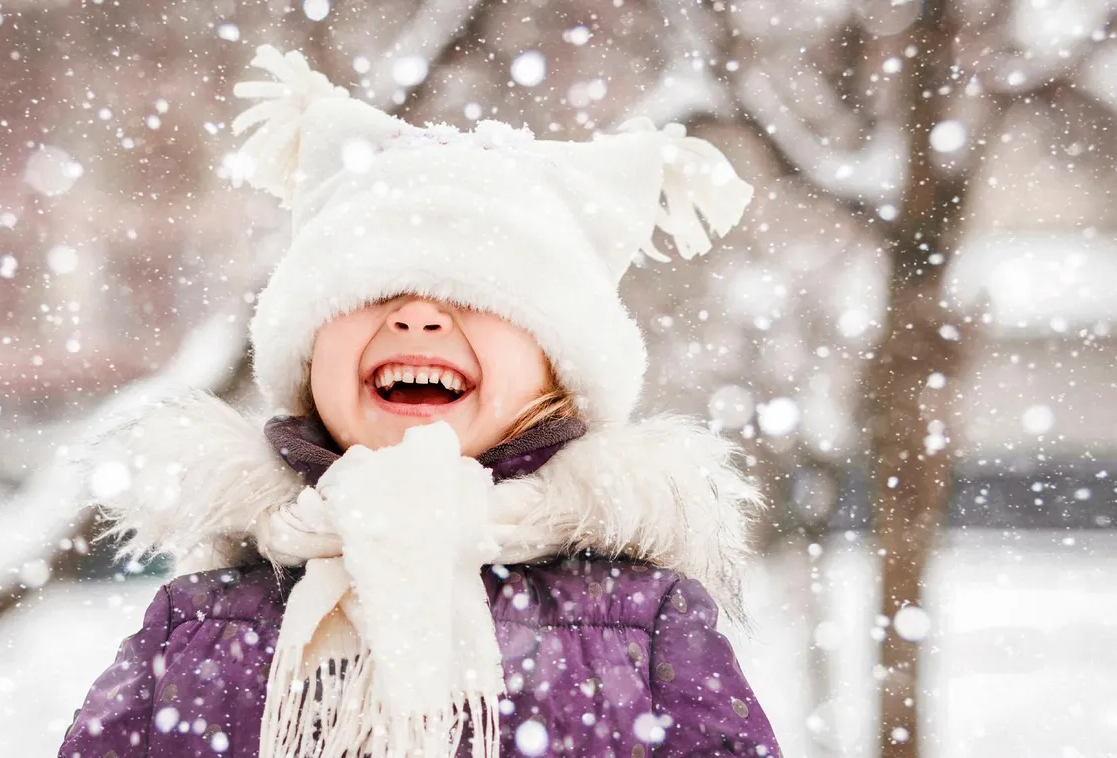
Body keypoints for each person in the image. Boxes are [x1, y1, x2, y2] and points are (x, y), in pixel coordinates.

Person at [59, 45, 781, 758]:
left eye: (475, 294)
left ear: (557, 370)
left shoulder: (641, 625)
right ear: (307, 358)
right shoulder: (197, 623)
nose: (416, 318)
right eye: (374, 289)